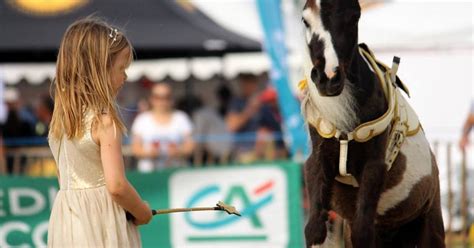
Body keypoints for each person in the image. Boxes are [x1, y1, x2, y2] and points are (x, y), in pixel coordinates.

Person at [47, 17, 151, 247]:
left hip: (67, 221)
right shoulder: (104, 121)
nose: (125, 77)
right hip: (101, 224)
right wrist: (142, 211)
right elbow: (116, 186)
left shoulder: (61, 119)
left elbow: (63, 176)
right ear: (99, 69)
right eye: (121, 68)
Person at [131, 82, 194, 172]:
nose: (162, 101)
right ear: (151, 99)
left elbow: (190, 146)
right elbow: (135, 149)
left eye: (166, 97)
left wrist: (178, 152)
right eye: (158, 97)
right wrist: (149, 153)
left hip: (176, 173)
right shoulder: (142, 120)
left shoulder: (181, 118)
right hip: (149, 174)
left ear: (172, 99)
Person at [226, 73, 284, 162]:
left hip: (265, 152)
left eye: (252, 84)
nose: (249, 87)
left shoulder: (264, 105)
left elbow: (275, 127)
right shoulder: (237, 103)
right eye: (246, 84)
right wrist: (250, 109)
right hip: (244, 151)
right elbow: (232, 126)